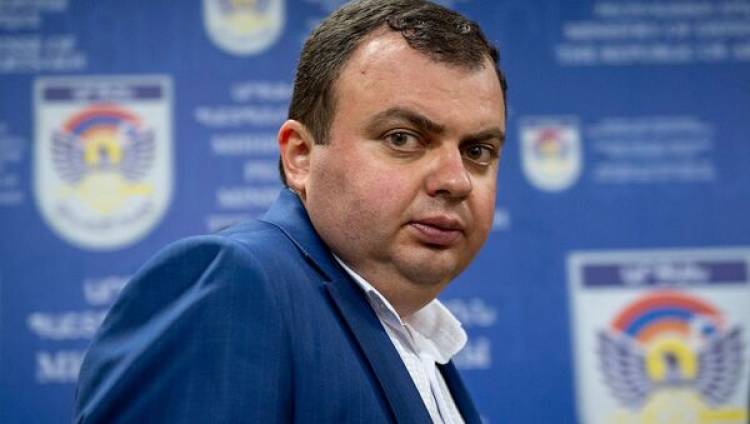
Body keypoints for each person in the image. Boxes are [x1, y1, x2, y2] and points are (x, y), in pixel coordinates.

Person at [74, 0, 508, 422]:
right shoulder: (235, 287)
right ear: (300, 156)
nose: (456, 181)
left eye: (478, 150)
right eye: (402, 138)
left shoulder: (417, 335)